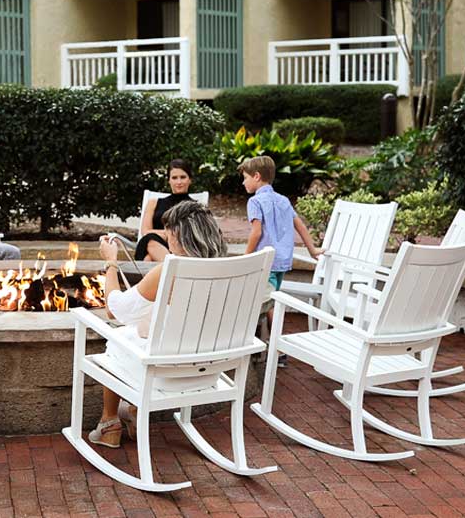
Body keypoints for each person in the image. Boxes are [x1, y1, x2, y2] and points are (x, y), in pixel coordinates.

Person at [88, 200, 229, 448]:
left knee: (117, 340)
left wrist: (111, 262)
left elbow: (114, 310)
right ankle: (132, 410)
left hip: (165, 373)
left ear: (179, 235)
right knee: (136, 331)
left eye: (168, 232)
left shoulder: (169, 270)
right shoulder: (225, 269)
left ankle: (109, 422)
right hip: (208, 369)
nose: (166, 238)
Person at [239, 156, 321, 293]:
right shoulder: (283, 200)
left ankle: (278, 316)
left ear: (257, 176)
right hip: (282, 260)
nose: (243, 182)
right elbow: (300, 225)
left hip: (266, 261)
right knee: (272, 295)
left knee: (265, 299)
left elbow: (256, 232)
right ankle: (276, 315)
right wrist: (312, 250)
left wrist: (246, 256)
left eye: (245, 178)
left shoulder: (255, 202)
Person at [135, 159, 197, 262]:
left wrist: (170, 236)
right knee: (151, 240)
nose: (179, 182)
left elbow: (190, 234)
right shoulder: (153, 203)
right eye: (174, 178)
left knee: (149, 258)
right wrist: (170, 234)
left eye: (183, 177)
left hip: (181, 249)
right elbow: (145, 231)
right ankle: (175, 272)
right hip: (152, 242)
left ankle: (167, 272)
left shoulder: (195, 207)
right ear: (169, 180)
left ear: (190, 180)